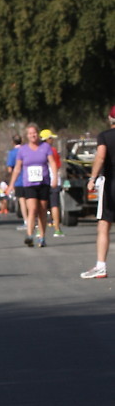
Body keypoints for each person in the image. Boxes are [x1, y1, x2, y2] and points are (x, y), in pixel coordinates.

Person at [7, 123, 57, 248]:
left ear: (38, 134)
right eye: (30, 133)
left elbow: (52, 163)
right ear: (27, 136)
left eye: (34, 133)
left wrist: (55, 178)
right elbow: (17, 168)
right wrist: (11, 184)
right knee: (32, 209)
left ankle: (42, 237)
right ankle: (29, 235)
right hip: (29, 184)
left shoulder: (45, 147)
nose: (32, 135)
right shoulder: (23, 150)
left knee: (42, 210)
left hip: (44, 182)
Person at [80, 106, 115, 278]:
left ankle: (101, 266)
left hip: (111, 184)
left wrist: (92, 178)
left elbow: (101, 156)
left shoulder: (105, 136)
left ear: (110, 119)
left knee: (104, 224)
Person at [39, 130, 64, 238]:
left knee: (41, 206)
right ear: (47, 139)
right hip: (53, 179)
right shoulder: (52, 150)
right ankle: (57, 229)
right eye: (51, 138)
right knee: (54, 205)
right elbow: (58, 165)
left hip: (40, 180)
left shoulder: (37, 150)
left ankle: (39, 229)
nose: (52, 140)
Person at [6, 135, 28, 230]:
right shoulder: (27, 150)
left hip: (19, 180)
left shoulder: (12, 153)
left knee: (22, 202)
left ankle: (27, 221)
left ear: (13, 142)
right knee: (30, 200)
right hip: (30, 179)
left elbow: (10, 169)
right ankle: (33, 219)